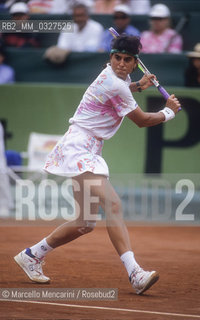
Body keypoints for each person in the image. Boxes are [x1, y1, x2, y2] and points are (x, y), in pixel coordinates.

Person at [14, 35, 181, 294]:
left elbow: (124, 87)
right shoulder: (113, 82)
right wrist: (168, 111)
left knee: (84, 223)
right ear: (110, 58)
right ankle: (135, 273)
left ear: (135, 62)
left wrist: (138, 85)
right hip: (79, 147)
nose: (121, 64)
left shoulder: (119, 79)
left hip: (87, 147)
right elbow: (142, 120)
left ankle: (32, 255)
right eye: (117, 58)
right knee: (113, 203)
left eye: (127, 60)